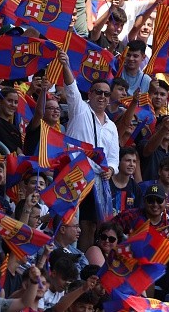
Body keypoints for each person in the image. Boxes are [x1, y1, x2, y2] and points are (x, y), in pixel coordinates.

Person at [58, 49, 119, 252]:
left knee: (90, 225)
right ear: (90, 94)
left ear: (110, 98)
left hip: (97, 181)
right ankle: (67, 256)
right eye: (98, 92)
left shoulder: (112, 126)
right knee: (71, 220)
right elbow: (70, 87)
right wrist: (66, 64)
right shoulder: (80, 108)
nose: (102, 96)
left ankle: (83, 262)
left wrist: (111, 170)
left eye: (106, 94)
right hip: (74, 173)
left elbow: (113, 159)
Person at [109, 146, 142, 216]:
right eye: (128, 160)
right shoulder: (107, 183)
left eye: (134, 161)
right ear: (119, 161)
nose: (132, 164)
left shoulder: (136, 188)